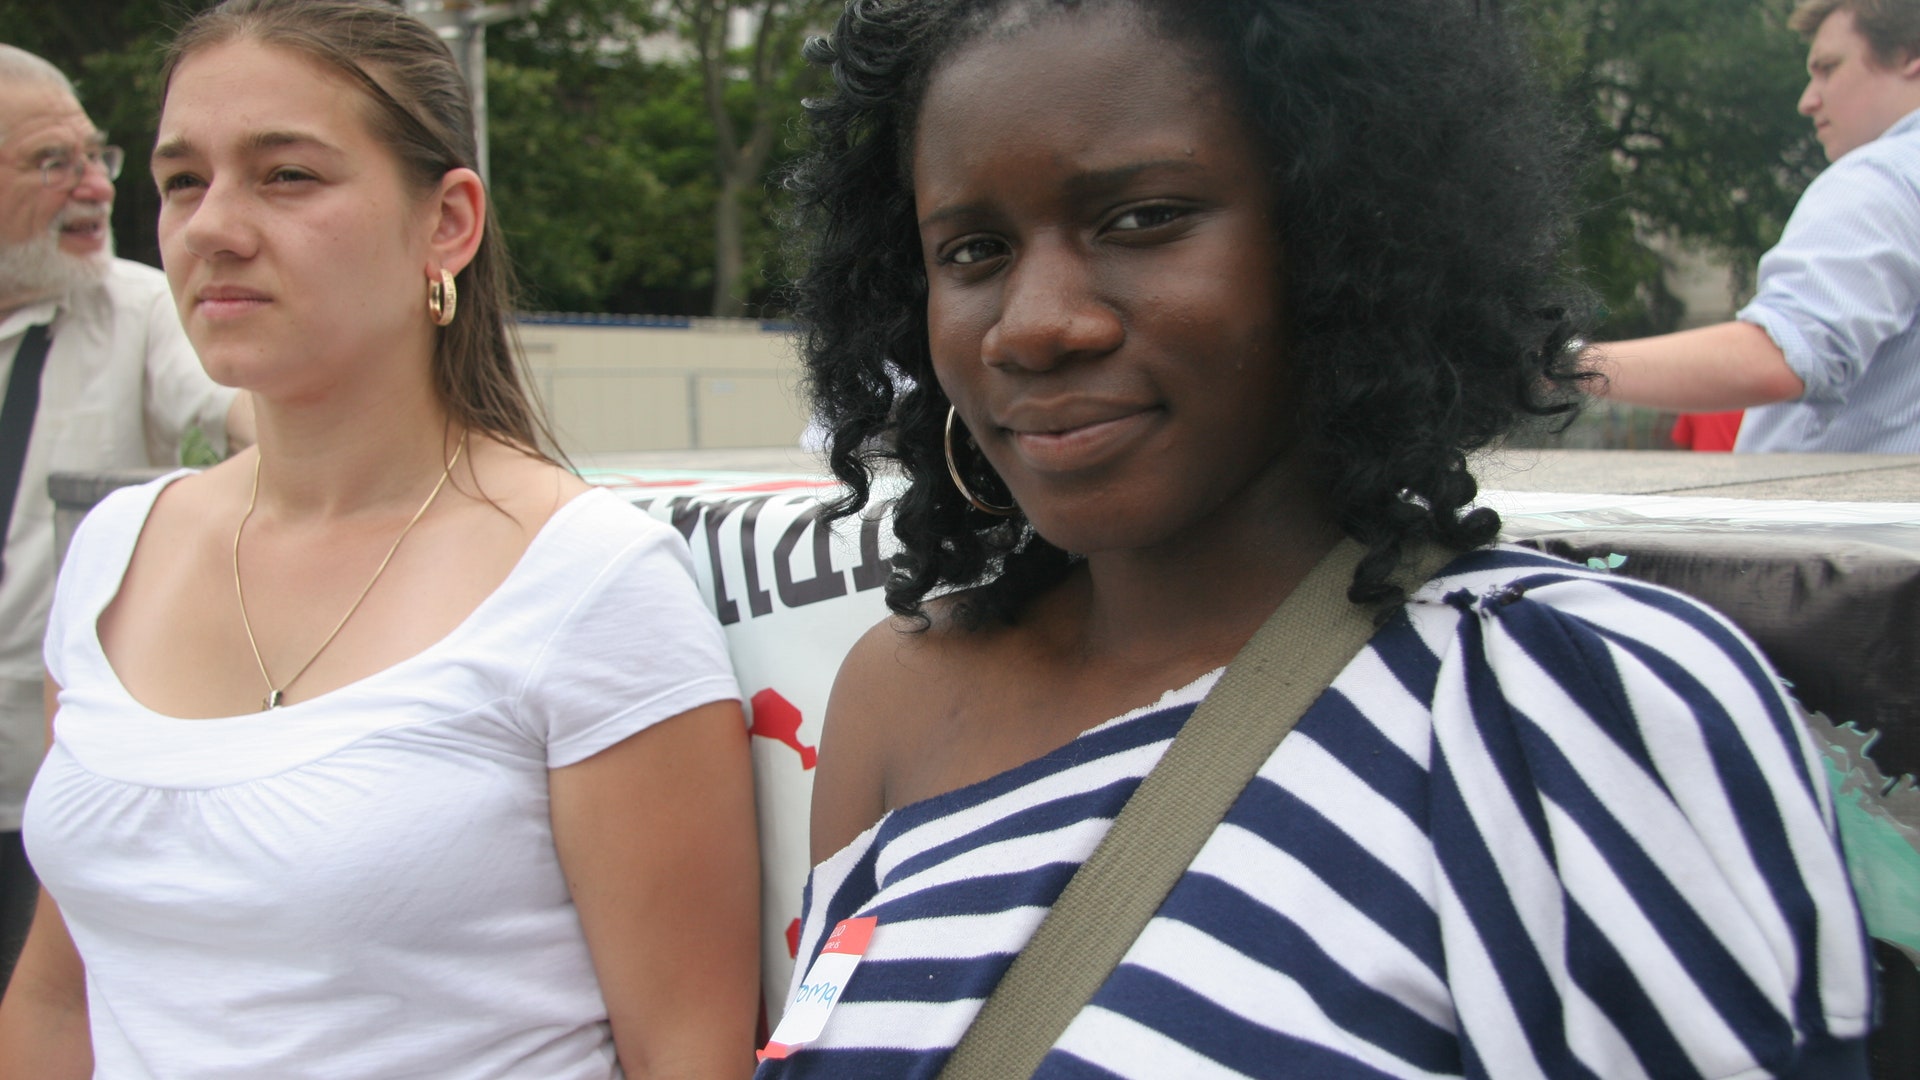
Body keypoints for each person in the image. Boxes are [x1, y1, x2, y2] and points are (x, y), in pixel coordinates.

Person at [761, 0, 1874, 1077]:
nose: (1035, 323)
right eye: (973, 251)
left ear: (1345, 235)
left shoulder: (1572, 703)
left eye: (1142, 218)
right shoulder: (898, 695)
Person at [0, 2, 759, 1077]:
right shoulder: (117, 552)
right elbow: (56, 999)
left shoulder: (587, 580)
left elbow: (688, 1050)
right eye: (182, 180)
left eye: (286, 175)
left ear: (447, 221)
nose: (212, 224)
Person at [0, 44, 249, 985]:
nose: (93, 189)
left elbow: (233, 406)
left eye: (95, 158)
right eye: (47, 163)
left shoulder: (143, 306)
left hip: (54, 800)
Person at [1588, 0, 1920, 453]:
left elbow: (1782, 356)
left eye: (1828, 68)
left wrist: (1566, 365)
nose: (1808, 100)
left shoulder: (1881, 176)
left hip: (1835, 518)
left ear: (1908, 58)